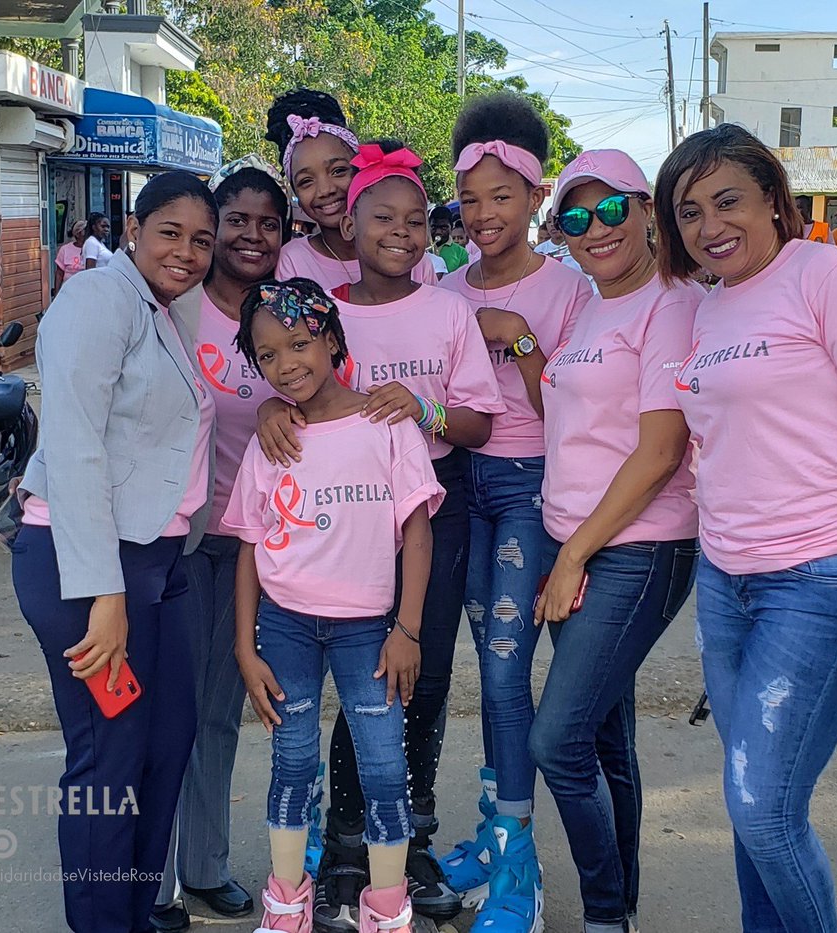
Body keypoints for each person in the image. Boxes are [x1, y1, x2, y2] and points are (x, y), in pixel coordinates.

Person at [654, 123, 837, 933]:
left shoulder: (832, 278)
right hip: (725, 582)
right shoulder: (708, 307)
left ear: (774, 198)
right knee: (753, 805)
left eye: (728, 199)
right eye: (690, 210)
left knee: (765, 812)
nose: (711, 225)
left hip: (815, 582)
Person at [256, 140, 504, 933]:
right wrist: (272, 408)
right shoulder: (322, 310)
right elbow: (292, 376)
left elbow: (476, 420)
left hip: (432, 506)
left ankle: (408, 841)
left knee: (414, 678)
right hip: (338, 521)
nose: (400, 232)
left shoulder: (448, 309)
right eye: (381, 218)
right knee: (351, 684)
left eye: (412, 219)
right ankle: (342, 848)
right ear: (348, 226)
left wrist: (420, 407)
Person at [12, 171, 219, 933]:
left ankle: (134, 914)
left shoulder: (161, 309)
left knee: (166, 746)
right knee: (110, 760)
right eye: (171, 232)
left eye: (202, 239)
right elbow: (74, 449)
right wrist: (105, 593)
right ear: (133, 229)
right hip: (86, 566)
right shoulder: (98, 300)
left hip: (155, 562)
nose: (188, 252)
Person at [223, 277, 444, 933]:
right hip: (286, 626)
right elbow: (248, 544)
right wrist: (244, 645)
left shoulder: (386, 423)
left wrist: (407, 627)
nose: (287, 364)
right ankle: (287, 903)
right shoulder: (275, 438)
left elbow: (418, 529)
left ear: (333, 339)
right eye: (267, 355)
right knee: (292, 760)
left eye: (299, 343)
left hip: (368, 631)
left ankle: (387, 909)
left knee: (383, 766)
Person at [525, 148, 703, 933]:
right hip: (580, 541)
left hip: (637, 547)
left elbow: (661, 450)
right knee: (603, 738)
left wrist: (571, 557)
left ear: (644, 210)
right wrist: (528, 348)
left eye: (609, 210)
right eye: (573, 217)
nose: (593, 229)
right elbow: (569, 408)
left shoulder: (670, 304)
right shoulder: (594, 304)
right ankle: (621, 900)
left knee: (556, 741)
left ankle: (603, 914)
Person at [436, 93, 594, 933]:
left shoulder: (566, 290)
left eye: (502, 196)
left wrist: (516, 336)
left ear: (535, 197)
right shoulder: (444, 285)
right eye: (470, 198)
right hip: (463, 485)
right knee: (485, 669)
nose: (485, 214)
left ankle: (519, 864)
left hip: (531, 486)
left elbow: (569, 407)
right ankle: (496, 831)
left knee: (504, 671)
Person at [151, 155, 293, 933]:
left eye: (267, 224)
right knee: (163, 708)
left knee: (218, 709)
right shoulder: (176, 310)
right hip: (172, 540)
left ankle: (202, 866)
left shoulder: (285, 321)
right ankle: (152, 880)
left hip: (249, 545)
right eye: (235, 220)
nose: (250, 235)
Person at [266, 88, 437, 291]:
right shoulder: (294, 261)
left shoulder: (409, 255)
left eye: (338, 171)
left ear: (359, 170)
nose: (325, 190)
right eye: (306, 182)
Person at [431, 204, 470, 273]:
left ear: (451, 227)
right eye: (434, 227)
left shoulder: (461, 253)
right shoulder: (422, 249)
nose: (438, 232)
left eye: (444, 228)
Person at [53, 220, 88, 296]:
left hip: (86, 291)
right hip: (69, 292)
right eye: (86, 231)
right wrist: (56, 293)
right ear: (78, 234)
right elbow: (59, 274)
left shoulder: (91, 248)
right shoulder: (65, 249)